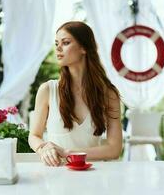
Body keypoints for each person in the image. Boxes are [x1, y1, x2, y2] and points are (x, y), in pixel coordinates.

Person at [28, 21, 122, 166]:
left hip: (93, 175)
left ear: (83, 47)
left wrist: (68, 153)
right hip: (56, 175)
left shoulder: (108, 94)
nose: (58, 48)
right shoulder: (48, 90)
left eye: (65, 43)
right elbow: (34, 136)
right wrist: (43, 148)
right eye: (56, 43)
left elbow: (114, 149)